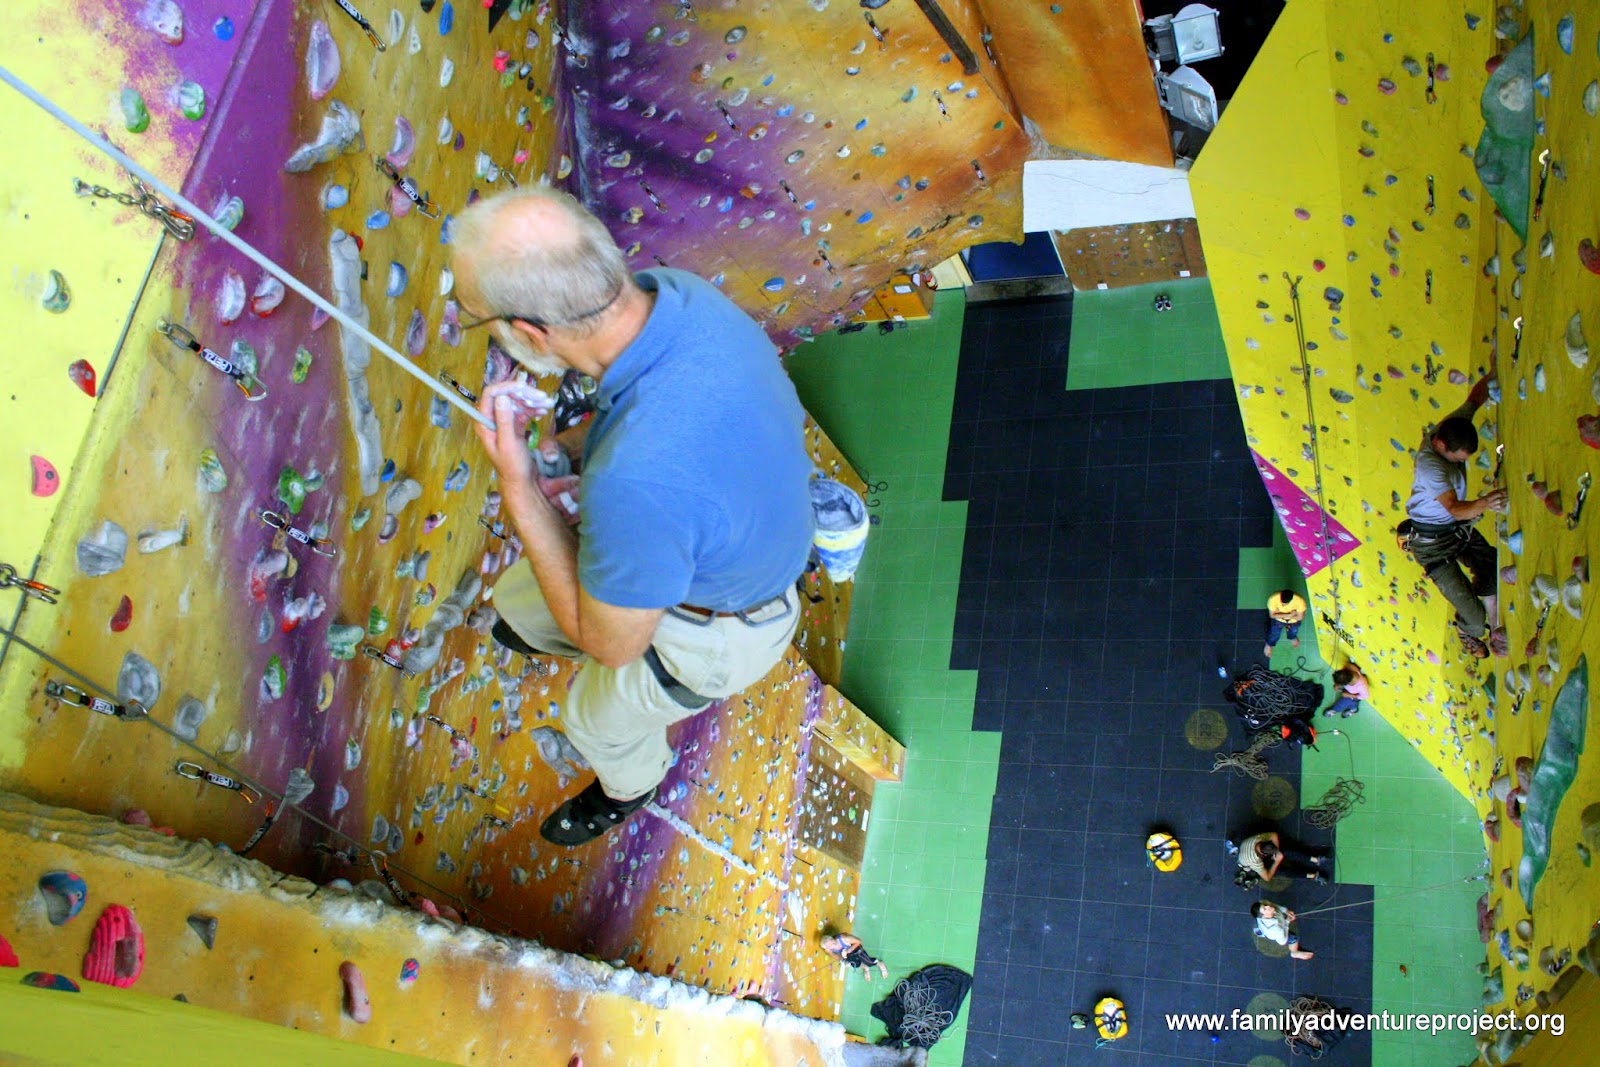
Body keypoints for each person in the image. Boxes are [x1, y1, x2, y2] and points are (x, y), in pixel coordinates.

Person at [451, 188, 815, 846]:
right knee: (519, 602)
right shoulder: (678, 295)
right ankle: (548, 630)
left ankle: (630, 786)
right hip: (733, 535)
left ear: (531, 333)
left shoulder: (635, 478)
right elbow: (646, 421)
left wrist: (521, 484)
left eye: (482, 320)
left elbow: (609, 643)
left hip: (722, 634)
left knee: (592, 719)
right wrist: (566, 447)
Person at [1403, 374, 1507, 658]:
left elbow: (1474, 400)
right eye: (1459, 459)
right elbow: (1456, 508)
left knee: (1492, 562)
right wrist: (1486, 502)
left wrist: (1493, 373)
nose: (1463, 464)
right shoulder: (1431, 467)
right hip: (1432, 546)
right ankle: (1466, 631)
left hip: (1451, 528)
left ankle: (1483, 599)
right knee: (1475, 620)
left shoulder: (1451, 428)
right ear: (1440, 446)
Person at [1232, 830, 1329, 884]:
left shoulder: (1258, 839)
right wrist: (1277, 861)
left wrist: (1277, 851)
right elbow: (1267, 877)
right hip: (1251, 864)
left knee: (1287, 851)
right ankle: (1313, 876)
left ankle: (1315, 859)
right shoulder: (1254, 861)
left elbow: (1273, 835)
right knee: (1283, 872)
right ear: (1264, 855)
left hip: (1257, 852)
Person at [1250, 901, 1314, 960]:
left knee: (1265, 928)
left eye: (1265, 905)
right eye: (1265, 909)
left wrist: (1286, 911)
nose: (1268, 906)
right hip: (1277, 935)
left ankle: (1261, 932)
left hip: (1267, 928)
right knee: (1293, 939)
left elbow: (1273, 905)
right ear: (1263, 915)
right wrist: (1287, 921)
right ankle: (1294, 952)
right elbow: (1283, 940)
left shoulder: (1263, 905)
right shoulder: (1276, 929)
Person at [821, 933, 889, 979]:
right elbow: (835, 956)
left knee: (869, 962)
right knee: (854, 964)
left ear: (833, 940)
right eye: (830, 947)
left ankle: (880, 964)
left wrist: (848, 950)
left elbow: (859, 941)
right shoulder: (828, 949)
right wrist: (844, 960)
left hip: (855, 948)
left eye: (833, 944)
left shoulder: (844, 938)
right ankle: (865, 968)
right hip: (846, 954)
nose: (833, 947)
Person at [1263, 589, 1306, 658]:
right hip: (1279, 620)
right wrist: (1290, 614)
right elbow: (1272, 615)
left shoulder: (1300, 601)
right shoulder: (1273, 598)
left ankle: (1292, 637)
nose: (1283, 605)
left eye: (1285, 604)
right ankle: (1269, 645)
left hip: (1293, 621)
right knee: (1274, 633)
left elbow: (1300, 617)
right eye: (1282, 603)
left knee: (1293, 631)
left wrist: (1279, 612)